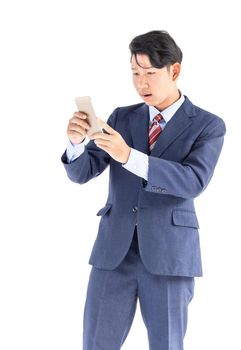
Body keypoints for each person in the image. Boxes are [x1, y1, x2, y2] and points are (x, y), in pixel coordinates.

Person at [61, 30, 226, 350]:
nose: (141, 83)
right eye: (135, 73)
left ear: (174, 71)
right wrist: (76, 143)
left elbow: (193, 181)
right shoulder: (122, 117)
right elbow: (83, 173)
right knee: (95, 343)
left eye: (150, 73)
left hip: (169, 253)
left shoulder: (208, 125)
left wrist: (130, 156)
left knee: (167, 344)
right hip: (113, 252)